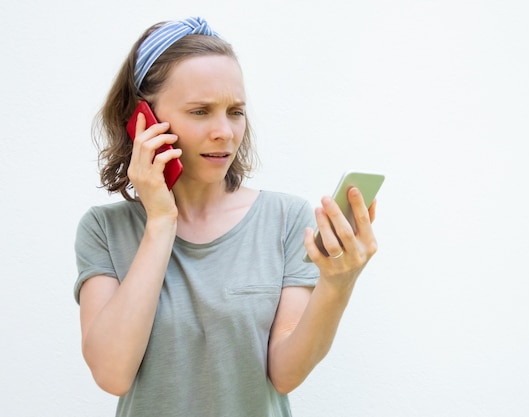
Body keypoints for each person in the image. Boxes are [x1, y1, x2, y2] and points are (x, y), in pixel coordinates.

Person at [74, 16, 379, 417]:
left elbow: (285, 374)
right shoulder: (103, 229)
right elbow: (112, 374)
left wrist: (338, 285)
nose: (225, 132)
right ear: (143, 120)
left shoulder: (285, 218)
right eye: (200, 111)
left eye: (235, 111)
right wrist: (161, 223)